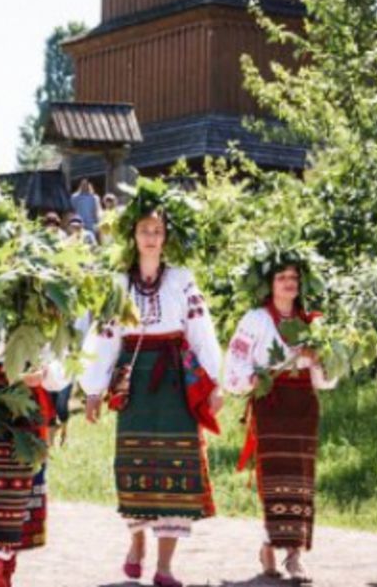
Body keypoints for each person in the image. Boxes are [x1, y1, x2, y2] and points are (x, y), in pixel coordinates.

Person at [81, 178, 223, 587]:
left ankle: (164, 567)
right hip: (136, 383)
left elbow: (201, 330)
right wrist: (93, 389)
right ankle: (137, 543)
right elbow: (106, 337)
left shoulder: (181, 279)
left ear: (165, 237)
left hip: (176, 382)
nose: (151, 236)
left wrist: (215, 382)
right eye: (144, 229)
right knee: (135, 465)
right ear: (133, 235)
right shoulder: (119, 283)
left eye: (157, 230)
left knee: (175, 471)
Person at [223, 241, 337, 584]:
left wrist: (319, 360)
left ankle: (294, 554)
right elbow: (235, 365)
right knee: (273, 478)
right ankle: (272, 544)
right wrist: (253, 376)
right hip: (271, 404)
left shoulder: (313, 323)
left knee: (301, 478)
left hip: (303, 405)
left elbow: (328, 378)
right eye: (281, 277)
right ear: (268, 284)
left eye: (294, 277)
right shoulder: (255, 320)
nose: (289, 283)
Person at [0, 332, 67, 587]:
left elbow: (62, 359)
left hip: (21, 411)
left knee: (8, 510)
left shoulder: (37, 303)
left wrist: (44, 372)